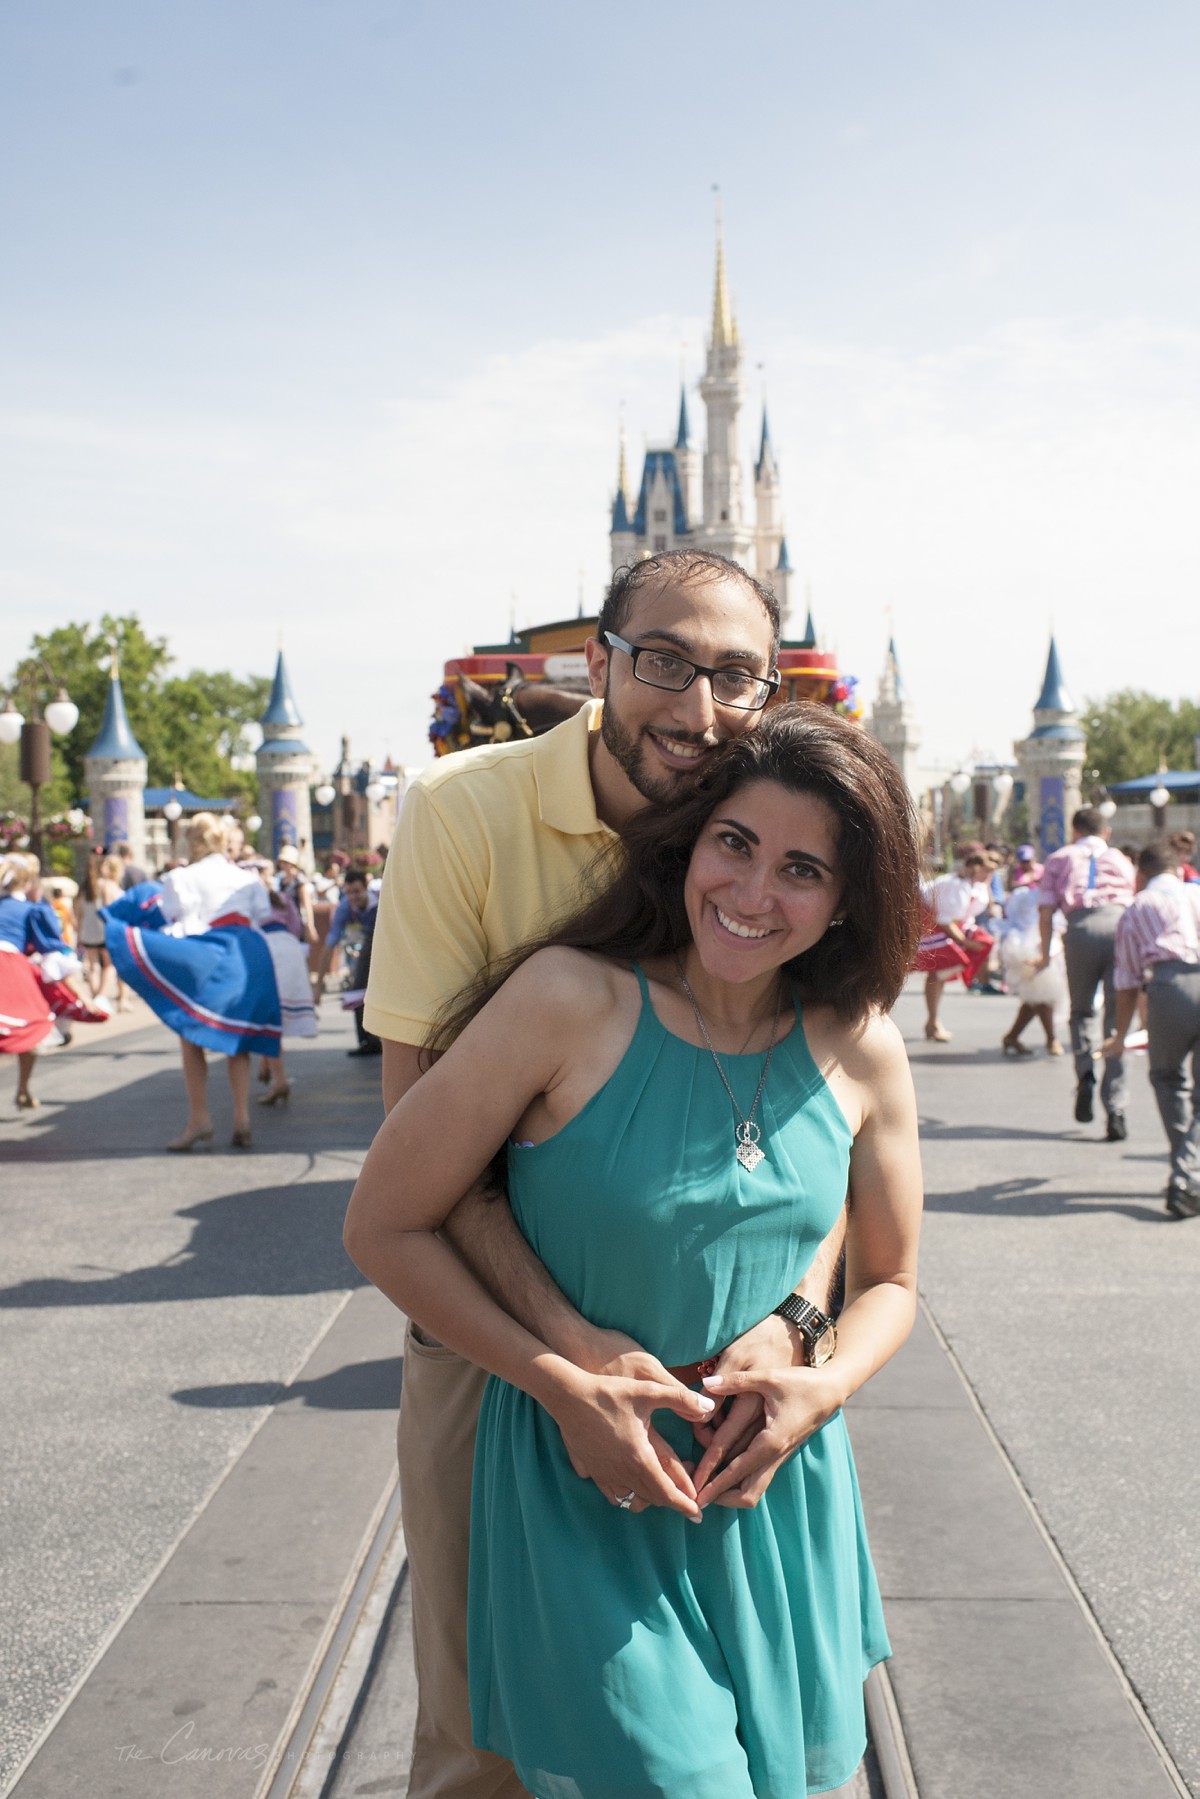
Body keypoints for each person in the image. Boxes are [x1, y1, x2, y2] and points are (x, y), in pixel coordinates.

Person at [347, 704, 924, 1798]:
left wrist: (823, 1384)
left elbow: (891, 1277)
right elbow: (383, 1221)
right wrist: (563, 1383)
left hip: (773, 1501)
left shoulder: (864, 1043)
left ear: (850, 898)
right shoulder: (568, 998)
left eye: (802, 869)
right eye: (736, 844)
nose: (753, 894)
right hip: (585, 1497)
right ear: (691, 840)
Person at [104, 813, 316, 1149]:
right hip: (250, 955)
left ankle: (200, 1119)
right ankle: (241, 1117)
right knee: (240, 1040)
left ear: (194, 840)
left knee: (191, 1036)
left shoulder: (182, 877)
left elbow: (178, 919)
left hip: (208, 956)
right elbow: (262, 915)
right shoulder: (246, 879)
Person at [1103, 840, 1200, 1217]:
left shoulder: (1137, 908)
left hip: (1167, 989)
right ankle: (1186, 1173)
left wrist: (1119, 1036)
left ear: (1140, 875)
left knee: (1167, 1078)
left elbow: (1126, 983)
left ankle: (1184, 1172)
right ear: (1178, 869)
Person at [1036, 805, 1135, 1139]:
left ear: (1074, 830)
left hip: (1080, 929)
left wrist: (1046, 951)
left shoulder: (1059, 858)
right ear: (1105, 832)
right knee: (1119, 1020)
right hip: (1120, 927)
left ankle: (1085, 1074)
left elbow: (1047, 911)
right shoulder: (1121, 859)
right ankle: (1116, 1107)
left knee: (1081, 1011)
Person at [912, 846, 995, 1041]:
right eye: (986, 870)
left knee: (940, 971)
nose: (989, 875)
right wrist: (966, 941)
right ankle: (933, 1021)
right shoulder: (958, 885)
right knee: (937, 968)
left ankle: (933, 1021)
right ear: (975, 868)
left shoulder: (975, 886)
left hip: (941, 923)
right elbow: (945, 921)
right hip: (926, 920)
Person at [312, 866, 379, 1056]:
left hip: (390, 941)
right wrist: (318, 985)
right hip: (369, 941)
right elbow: (329, 945)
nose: (353, 897)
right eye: (348, 893)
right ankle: (367, 1040)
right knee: (357, 990)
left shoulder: (382, 899)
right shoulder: (345, 907)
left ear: (366, 888)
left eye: (357, 892)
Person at [76, 854, 124, 1003]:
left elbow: (79, 913)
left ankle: (96, 995)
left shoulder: (85, 888)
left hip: (88, 931)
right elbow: (114, 909)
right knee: (109, 965)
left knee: (93, 965)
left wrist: (79, 934)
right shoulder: (108, 886)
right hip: (105, 931)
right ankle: (101, 996)